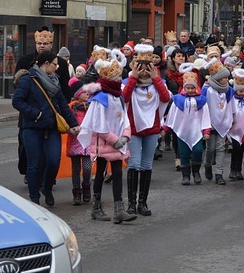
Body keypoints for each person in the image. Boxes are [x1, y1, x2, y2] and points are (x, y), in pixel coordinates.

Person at [11, 51, 80, 206]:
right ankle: (34, 198)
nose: (57, 67)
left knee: (54, 161)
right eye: (55, 64)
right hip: (32, 128)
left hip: (51, 128)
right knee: (35, 164)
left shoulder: (55, 81)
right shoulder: (28, 80)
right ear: (46, 63)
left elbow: (62, 105)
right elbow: (17, 101)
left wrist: (74, 124)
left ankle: (47, 188)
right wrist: (36, 114)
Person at [77, 59, 136, 224]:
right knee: (101, 173)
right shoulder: (101, 98)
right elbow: (98, 124)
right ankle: (96, 208)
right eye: (116, 77)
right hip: (104, 143)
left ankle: (119, 210)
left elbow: (124, 118)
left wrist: (125, 135)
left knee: (117, 173)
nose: (119, 79)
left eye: (119, 76)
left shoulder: (118, 96)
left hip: (117, 142)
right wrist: (115, 140)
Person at [122, 44, 172, 216]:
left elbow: (166, 98)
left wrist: (156, 78)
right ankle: (131, 203)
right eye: (140, 68)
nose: (144, 72)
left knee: (146, 165)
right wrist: (133, 78)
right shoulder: (127, 83)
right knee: (134, 164)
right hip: (134, 130)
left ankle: (142, 202)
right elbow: (124, 98)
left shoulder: (159, 84)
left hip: (151, 130)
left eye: (147, 68)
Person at [164, 71, 210, 185]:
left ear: (196, 87)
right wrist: (166, 128)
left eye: (192, 88)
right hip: (183, 130)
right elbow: (172, 114)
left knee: (198, 151)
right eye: (188, 88)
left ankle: (196, 172)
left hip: (197, 130)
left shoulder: (201, 100)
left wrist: (206, 130)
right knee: (183, 153)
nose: (190, 90)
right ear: (184, 88)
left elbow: (205, 116)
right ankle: (185, 175)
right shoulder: (178, 100)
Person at [67, 82, 100, 205]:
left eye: (88, 92)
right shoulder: (72, 108)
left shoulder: (92, 106)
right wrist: (71, 129)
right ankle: (76, 192)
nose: (87, 94)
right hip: (75, 141)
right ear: (78, 94)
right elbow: (67, 122)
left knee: (87, 168)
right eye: (84, 92)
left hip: (87, 142)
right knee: (75, 169)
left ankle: (86, 186)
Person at [202, 60, 234, 185]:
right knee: (210, 149)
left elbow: (231, 105)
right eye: (224, 78)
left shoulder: (228, 90)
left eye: (227, 77)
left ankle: (219, 173)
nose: (226, 80)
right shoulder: (207, 89)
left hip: (223, 122)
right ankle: (208, 164)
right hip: (210, 123)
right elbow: (203, 106)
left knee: (220, 148)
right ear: (217, 78)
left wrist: (232, 118)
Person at [228, 69, 244, 181]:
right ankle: (233, 170)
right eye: (240, 91)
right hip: (234, 129)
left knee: (241, 149)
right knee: (236, 149)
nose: (242, 93)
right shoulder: (232, 100)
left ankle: (238, 170)